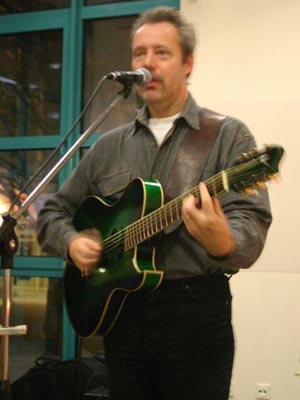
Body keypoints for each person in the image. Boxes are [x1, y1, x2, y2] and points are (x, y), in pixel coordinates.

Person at [36, 6, 272, 400]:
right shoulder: (109, 145)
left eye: (161, 53)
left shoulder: (227, 136)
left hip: (195, 310)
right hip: (123, 312)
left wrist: (223, 240)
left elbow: (252, 223)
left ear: (188, 63)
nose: (148, 63)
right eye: (139, 54)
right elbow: (52, 212)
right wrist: (72, 243)